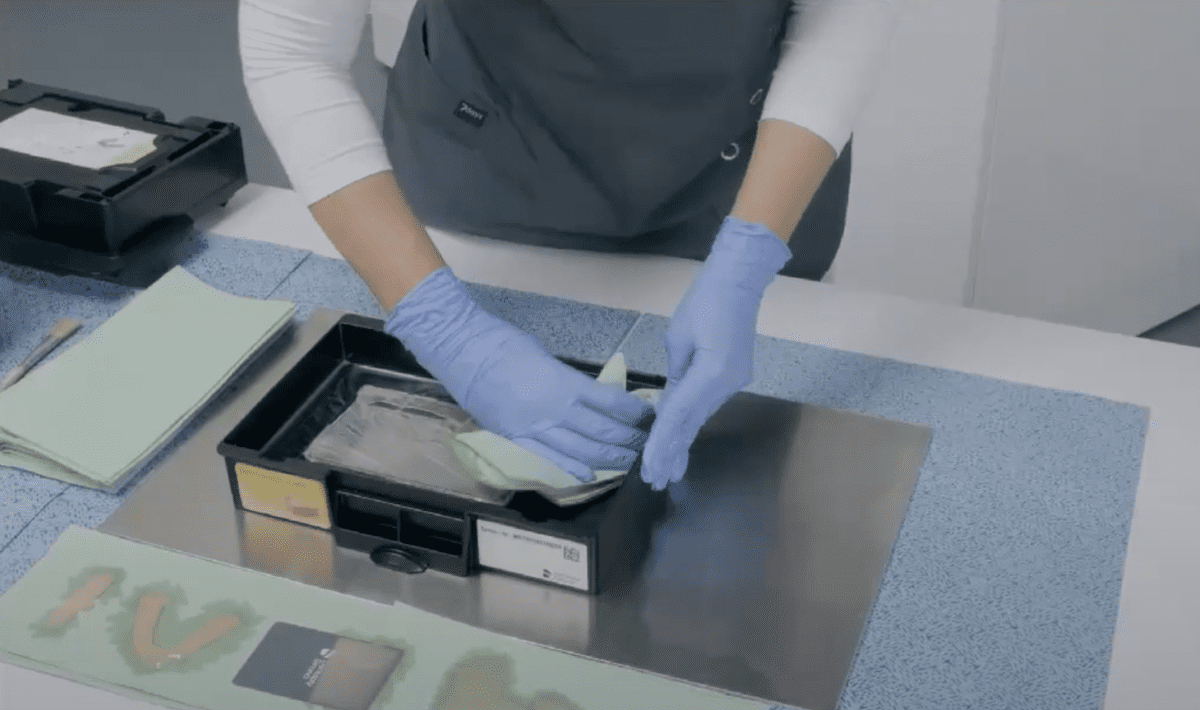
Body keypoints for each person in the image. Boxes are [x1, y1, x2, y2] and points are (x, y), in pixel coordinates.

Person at [240, 0, 902, 491]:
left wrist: (748, 256)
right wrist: (441, 323)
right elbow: (292, 52)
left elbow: (844, 12)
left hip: (739, 166)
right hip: (484, 162)